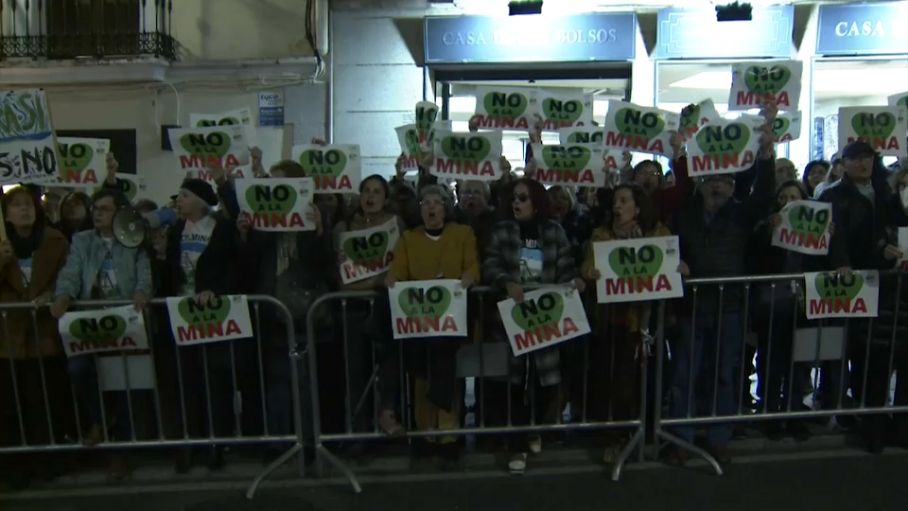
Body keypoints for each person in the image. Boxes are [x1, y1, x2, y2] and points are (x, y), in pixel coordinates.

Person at [665, 104, 777, 466]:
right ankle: (681, 438)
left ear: (733, 185)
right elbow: (666, 247)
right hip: (691, 306)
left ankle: (719, 438)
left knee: (724, 375)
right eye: (712, 180)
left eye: (726, 181)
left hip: (729, 307)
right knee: (685, 375)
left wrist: (766, 153)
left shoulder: (741, 214)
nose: (718, 186)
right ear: (701, 182)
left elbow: (765, 196)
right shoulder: (683, 215)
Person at [50, 189, 152, 479]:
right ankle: (101, 418)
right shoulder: (82, 240)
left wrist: (143, 290)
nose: (97, 213)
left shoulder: (134, 239)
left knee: (122, 387)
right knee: (78, 369)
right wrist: (63, 295)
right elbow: (71, 272)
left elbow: (144, 271)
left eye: (105, 209)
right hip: (89, 321)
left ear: (120, 212)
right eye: (95, 208)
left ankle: (121, 455)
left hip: (125, 321)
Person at [484, 178, 581, 475]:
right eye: (514, 198)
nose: (516, 203)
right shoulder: (502, 231)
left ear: (537, 202)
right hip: (511, 319)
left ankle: (531, 428)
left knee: (546, 382)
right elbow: (490, 265)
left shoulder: (555, 232)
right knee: (513, 383)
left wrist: (573, 282)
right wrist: (506, 282)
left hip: (545, 317)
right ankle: (518, 445)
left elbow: (565, 266)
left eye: (523, 198)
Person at [817, 141, 904, 453]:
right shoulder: (832, 195)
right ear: (844, 163)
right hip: (852, 282)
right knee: (856, 353)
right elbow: (834, 236)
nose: (863, 163)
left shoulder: (886, 193)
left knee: (880, 356)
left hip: (889, 283)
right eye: (856, 158)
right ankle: (859, 420)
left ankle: (885, 425)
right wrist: (842, 262)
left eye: (868, 157)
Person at [386, 184, 479, 469]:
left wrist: (469, 276)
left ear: (446, 208)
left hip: (451, 320)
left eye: (437, 202)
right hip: (418, 320)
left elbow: (473, 266)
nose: (431, 207)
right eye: (425, 202)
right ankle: (425, 435)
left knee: (448, 376)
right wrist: (392, 279)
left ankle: (449, 437)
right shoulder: (408, 238)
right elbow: (398, 270)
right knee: (421, 377)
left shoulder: (463, 234)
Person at [581, 184, 673, 463]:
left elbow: (669, 260)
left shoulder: (658, 233)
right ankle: (619, 437)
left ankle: (648, 432)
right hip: (614, 322)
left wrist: (678, 266)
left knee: (649, 381)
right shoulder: (602, 234)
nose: (617, 206)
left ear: (639, 207)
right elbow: (587, 265)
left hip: (647, 322)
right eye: (615, 202)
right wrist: (590, 272)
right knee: (617, 384)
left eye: (624, 201)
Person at [158, 177, 241, 472]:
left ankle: (216, 443)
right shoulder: (176, 230)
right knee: (187, 383)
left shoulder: (222, 228)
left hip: (213, 314)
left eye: (185, 195)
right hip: (182, 314)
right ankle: (189, 444)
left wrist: (215, 289)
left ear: (201, 201)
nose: (178, 200)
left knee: (214, 382)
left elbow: (234, 266)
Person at [0, 186, 72, 489]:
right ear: (5, 214)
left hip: (45, 334)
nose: (24, 209)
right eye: (16, 205)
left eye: (28, 204)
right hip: (8, 337)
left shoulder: (55, 241)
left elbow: (68, 276)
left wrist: (52, 294)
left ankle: (48, 460)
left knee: (44, 399)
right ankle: (15, 466)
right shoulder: (2, 245)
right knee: (10, 405)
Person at [333, 174, 406, 436]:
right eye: (366, 191)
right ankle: (358, 432)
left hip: (386, 307)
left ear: (385, 198)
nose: (370, 196)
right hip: (352, 307)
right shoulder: (343, 227)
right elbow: (340, 275)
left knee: (390, 364)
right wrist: (373, 282)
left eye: (376, 192)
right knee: (355, 371)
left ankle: (388, 417)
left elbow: (401, 265)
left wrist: (378, 282)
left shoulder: (396, 224)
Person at [750, 181, 818, 441]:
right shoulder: (766, 226)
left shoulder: (815, 227)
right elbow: (754, 256)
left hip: (804, 304)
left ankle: (795, 414)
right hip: (774, 304)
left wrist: (828, 235)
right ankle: (769, 414)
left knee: (799, 362)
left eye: (794, 196)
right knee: (772, 361)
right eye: (784, 197)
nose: (789, 201)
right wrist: (769, 230)